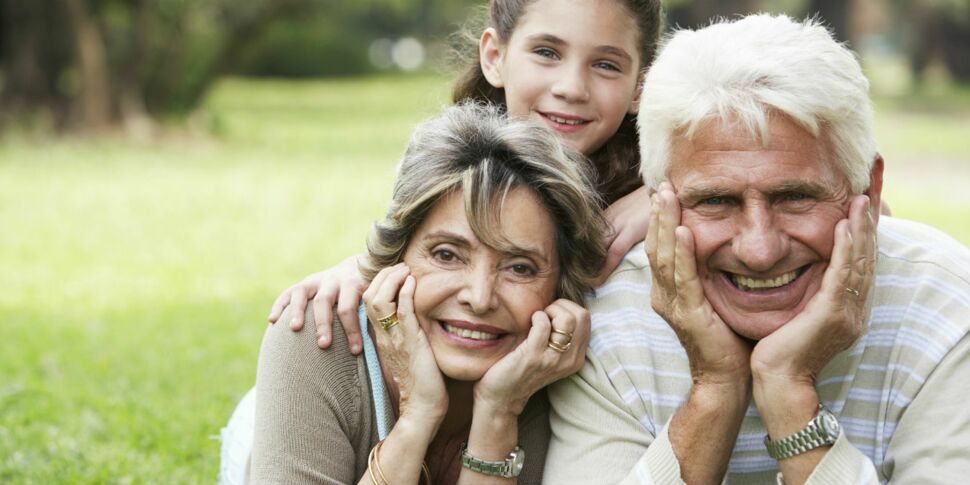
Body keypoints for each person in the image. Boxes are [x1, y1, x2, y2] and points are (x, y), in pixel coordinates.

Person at [543, 13, 970, 484]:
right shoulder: (608, 322)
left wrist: (789, 396)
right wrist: (715, 389)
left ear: (868, 189)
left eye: (795, 197)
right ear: (658, 203)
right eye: (716, 201)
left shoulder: (948, 305)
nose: (760, 250)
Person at [266, 0, 663, 353]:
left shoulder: (655, 186)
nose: (572, 88)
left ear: (640, 87)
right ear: (494, 56)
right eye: (546, 53)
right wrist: (359, 269)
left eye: (606, 65)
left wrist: (668, 190)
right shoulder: (455, 164)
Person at [247, 102, 610, 484]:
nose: (480, 297)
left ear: (559, 287)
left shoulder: (567, 371)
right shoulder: (313, 336)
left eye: (519, 267)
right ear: (398, 254)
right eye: (447, 255)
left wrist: (499, 411)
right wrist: (417, 416)